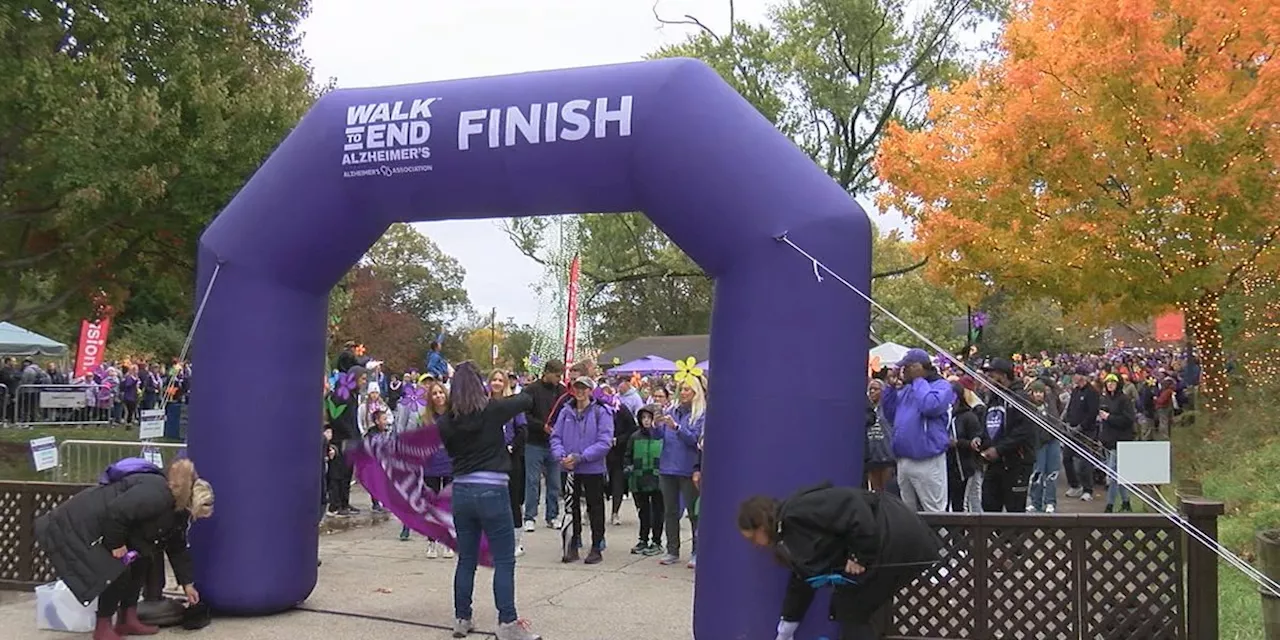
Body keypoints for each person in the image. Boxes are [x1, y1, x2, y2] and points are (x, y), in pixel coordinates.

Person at [35, 459, 212, 640]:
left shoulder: (178, 511)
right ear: (191, 502)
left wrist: (187, 584)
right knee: (117, 572)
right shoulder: (156, 495)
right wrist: (116, 544)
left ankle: (127, 618)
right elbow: (116, 513)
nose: (194, 518)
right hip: (81, 525)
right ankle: (103, 627)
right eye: (197, 513)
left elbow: (177, 547)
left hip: (111, 525)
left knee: (141, 562)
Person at [737, 482, 941, 640]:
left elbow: (854, 508)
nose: (755, 544)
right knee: (850, 609)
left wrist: (859, 556)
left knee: (850, 609)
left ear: (762, 525)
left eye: (753, 537)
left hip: (894, 537)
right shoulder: (790, 535)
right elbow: (803, 579)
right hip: (894, 536)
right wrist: (787, 626)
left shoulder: (797, 511)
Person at [437, 361, 541, 640]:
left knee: (466, 559)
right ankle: (507, 622)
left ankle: (462, 618)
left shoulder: (445, 422)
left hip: (461, 490)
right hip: (492, 489)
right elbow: (525, 400)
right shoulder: (492, 410)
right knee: (504, 559)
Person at [550, 376, 614, 564]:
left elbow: (605, 441)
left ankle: (596, 545)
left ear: (590, 390)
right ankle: (573, 543)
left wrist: (583, 457)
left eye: (584, 388)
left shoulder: (601, 412)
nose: (580, 392)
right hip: (569, 468)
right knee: (571, 507)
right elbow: (555, 437)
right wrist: (561, 456)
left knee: (595, 507)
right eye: (577, 388)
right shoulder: (565, 411)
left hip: (592, 467)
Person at [881, 349, 954, 512]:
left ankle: (940, 538)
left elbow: (930, 406)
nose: (902, 371)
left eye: (905, 367)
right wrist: (890, 389)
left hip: (927, 460)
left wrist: (918, 380)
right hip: (904, 460)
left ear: (917, 367)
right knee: (907, 513)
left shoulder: (942, 386)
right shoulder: (908, 389)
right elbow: (891, 414)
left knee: (934, 511)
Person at [657, 377, 706, 568]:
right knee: (670, 511)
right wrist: (654, 426)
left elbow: (696, 441)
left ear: (696, 392)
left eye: (688, 389)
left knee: (694, 514)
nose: (684, 392)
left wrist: (677, 428)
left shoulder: (701, 415)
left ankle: (696, 551)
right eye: (681, 389)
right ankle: (672, 550)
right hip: (667, 466)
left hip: (688, 468)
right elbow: (660, 436)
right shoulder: (671, 411)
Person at [977, 358, 1036, 512]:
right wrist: (981, 440)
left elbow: (1024, 431)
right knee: (989, 505)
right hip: (994, 464)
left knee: (1014, 509)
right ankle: (996, 536)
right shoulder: (993, 398)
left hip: (1016, 463)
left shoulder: (1020, 397)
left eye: (991, 374)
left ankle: (1013, 537)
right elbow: (988, 425)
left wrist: (999, 449)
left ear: (1002, 375)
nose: (988, 378)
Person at [522, 360, 566, 531]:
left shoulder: (562, 391)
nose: (559, 379)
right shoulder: (531, 390)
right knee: (532, 481)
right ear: (547, 373)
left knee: (554, 482)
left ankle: (552, 515)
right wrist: (541, 426)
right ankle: (530, 516)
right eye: (556, 375)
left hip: (554, 444)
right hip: (534, 442)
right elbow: (524, 414)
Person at [625, 405, 665, 556]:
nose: (647, 421)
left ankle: (657, 541)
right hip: (639, 479)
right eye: (644, 418)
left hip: (658, 479)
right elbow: (628, 455)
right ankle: (643, 539)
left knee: (658, 511)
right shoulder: (635, 437)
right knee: (643, 512)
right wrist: (628, 467)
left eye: (650, 418)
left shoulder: (661, 436)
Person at [1099, 374, 1137, 513]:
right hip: (1108, 441)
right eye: (1108, 382)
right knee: (1118, 474)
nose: (1110, 384)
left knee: (1113, 473)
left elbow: (1128, 419)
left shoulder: (1124, 400)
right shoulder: (1105, 399)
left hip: (1121, 440)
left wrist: (1109, 417)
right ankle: (1126, 502)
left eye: (1113, 382)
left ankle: (1110, 504)